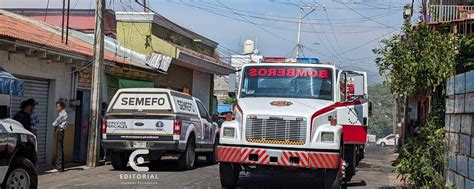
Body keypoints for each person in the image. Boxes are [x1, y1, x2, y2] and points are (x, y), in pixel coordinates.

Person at [51, 101, 68, 172]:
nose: (56, 108)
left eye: (57, 107)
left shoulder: (63, 114)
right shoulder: (62, 113)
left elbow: (55, 123)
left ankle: (59, 167)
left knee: (59, 148)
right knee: (59, 148)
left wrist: (54, 124)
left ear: (61, 107)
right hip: (59, 130)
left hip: (60, 131)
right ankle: (60, 166)